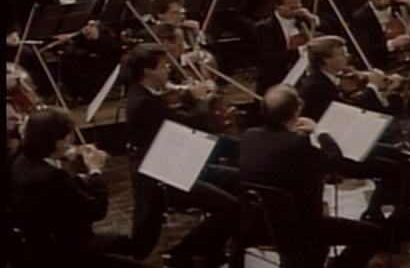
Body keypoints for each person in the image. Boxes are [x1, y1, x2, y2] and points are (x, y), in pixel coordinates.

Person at [237, 84, 383, 268]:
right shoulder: (296, 144)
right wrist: (319, 131)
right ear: (295, 112)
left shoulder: (249, 136)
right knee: (373, 234)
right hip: (302, 227)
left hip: (262, 225)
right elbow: (335, 160)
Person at [124, 43, 241, 264]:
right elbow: (189, 123)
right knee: (230, 207)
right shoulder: (144, 103)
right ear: (148, 72)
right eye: (163, 66)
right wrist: (199, 100)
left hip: (178, 159)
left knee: (237, 178)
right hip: (162, 174)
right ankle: (182, 252)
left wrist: (188, 97)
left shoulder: (145, 94)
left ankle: (213, 248)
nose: (168, 69)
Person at [9, 108, 146, 268]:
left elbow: (61, 192)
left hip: (42, 246)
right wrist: (95, 170)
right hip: (69, 254)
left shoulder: (20, 162)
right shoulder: (51, 177)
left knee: (122, 242)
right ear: (59, 142)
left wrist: (59, 157)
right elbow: (96, 209)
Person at [298, 35, 403, 121]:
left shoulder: (329, 78)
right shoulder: (316, 86)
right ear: (327, 60)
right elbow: (349, 110)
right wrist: (373, 86)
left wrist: (385, 91)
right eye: (342, 54)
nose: (347, 57)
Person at [254, 0, 322, 94]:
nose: (296, 10)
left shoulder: (303, 19)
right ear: (278, 7)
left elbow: (328, 30)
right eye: (292, 7)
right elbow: (269, 58)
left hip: (305, 78)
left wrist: (313, 19)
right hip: (277, 80)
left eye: (298, 6)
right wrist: (301, 50)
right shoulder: (265, 28)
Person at [350, 0, 410, 70]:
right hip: (381, 62)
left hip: (409, 54)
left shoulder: (399, 6)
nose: (382, 2)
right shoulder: (360, 17)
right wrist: (393, 43)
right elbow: (366, 48)